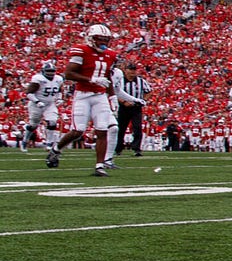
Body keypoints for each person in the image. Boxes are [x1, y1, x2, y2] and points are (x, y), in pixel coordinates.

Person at [52, 25, 118, 177]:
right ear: (91, 38)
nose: (103, 42)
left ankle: (99, 166)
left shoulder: (111, 55)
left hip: (100, 96)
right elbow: (68, 73)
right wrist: (91, 79)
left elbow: (107, 78)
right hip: (83, 94)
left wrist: (112, 96)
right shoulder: (81, 50)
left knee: (102, 129)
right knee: (78, 131)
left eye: (106, 40)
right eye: (100, 39)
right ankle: (56, 149)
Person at [21, 60, 64, 156]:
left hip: (50, 103)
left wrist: (60, 99)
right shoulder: (38, 79)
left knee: (52, 121)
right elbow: (29, 93)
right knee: (33, 125)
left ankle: (49, 144)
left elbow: (60, 90)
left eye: (52, 71)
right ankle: (25, 141)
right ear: (43, 71)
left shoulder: (58, 79)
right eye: (48, 71)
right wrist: (37, 101)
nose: (51, 73)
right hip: (36, 104)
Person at [112, 60, 151, 158]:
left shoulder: (141, 81)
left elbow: (148, 91)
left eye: (134, 70)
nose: (132, 72)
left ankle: (136, 148)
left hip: (136, 108)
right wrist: (124, 102)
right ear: (125, 70)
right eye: (130, 70)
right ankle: (118, 148)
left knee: (137, 128)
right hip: (123, 107)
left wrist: (142, 100)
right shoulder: (120, 80)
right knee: (121, 128)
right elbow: (114, 92)